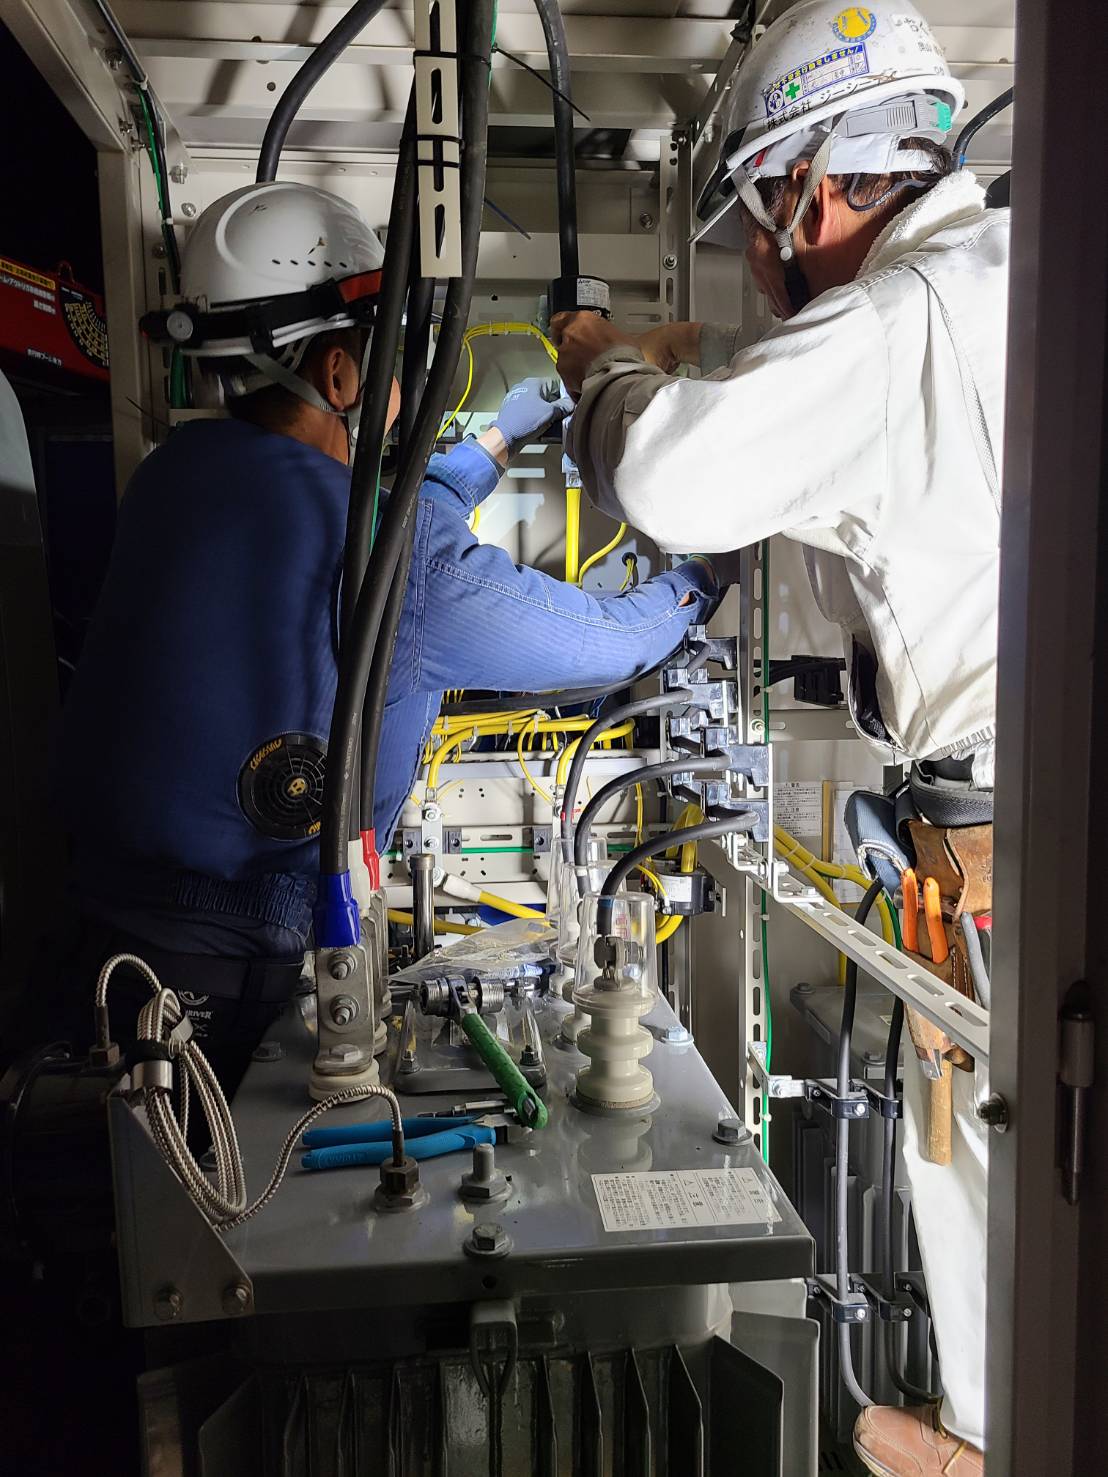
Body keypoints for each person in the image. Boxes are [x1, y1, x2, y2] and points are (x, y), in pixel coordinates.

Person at [552, 3, 1003, 1473]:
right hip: (990, 822)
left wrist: (607, 368)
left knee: (1004, 1176)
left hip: (1002, 845)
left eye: (759, 217)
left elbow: (670, 477)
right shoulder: (1001, 277)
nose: (758, 259)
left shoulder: (901, 316)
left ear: (812, 189)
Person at [48, 179, 719, 1094]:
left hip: (97, 955)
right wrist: (700, 580)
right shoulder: (384, 557)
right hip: (224, 995)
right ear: (340, 375)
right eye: (390, 347)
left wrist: (495, 442)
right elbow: (602, 644)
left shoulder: (168, 480)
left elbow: (385, 521)